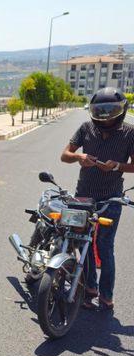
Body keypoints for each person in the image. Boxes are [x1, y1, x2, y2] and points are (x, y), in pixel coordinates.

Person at [61, 87, 134, 311]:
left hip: (110, 199)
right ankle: (90, 288)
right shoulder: (86, 128)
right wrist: (79, 157)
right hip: (83, 197)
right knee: (82, 242)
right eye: (100, 111)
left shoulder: (130, 134)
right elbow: (65, 155)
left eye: (108, 112)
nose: (103, 117)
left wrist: (118, 166)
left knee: (103, 247)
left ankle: (106, 296)